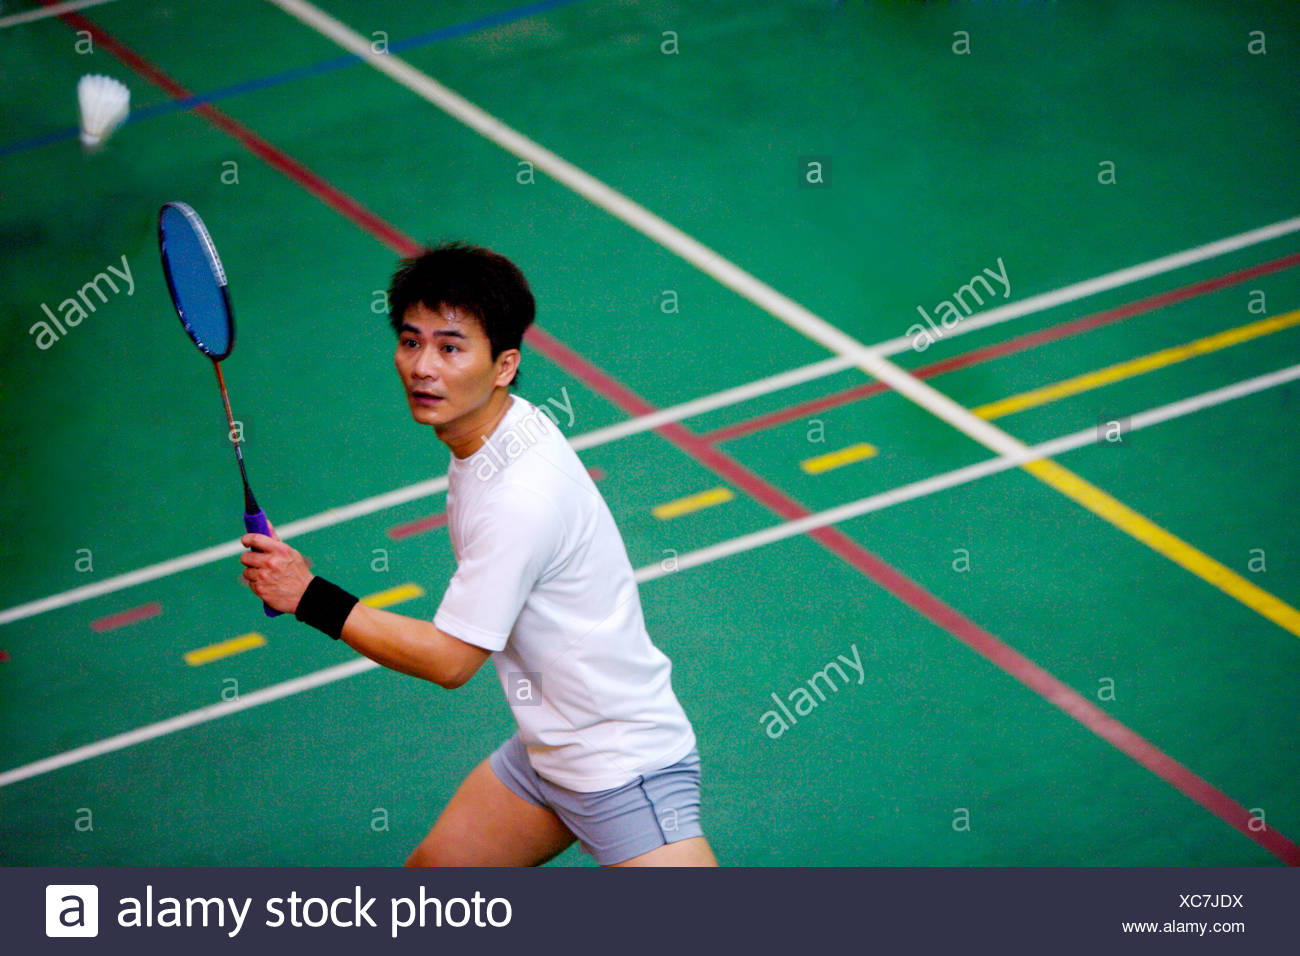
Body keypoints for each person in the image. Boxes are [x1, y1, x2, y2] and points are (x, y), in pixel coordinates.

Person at [239, 241, 717, 868]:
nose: (423, 367)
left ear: (504, 366)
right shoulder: (494, 432)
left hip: (622, 768)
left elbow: (450, 660)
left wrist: (309, 597)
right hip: (548, 755)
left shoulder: (521, 497)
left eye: (451, 346)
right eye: (411, 342)